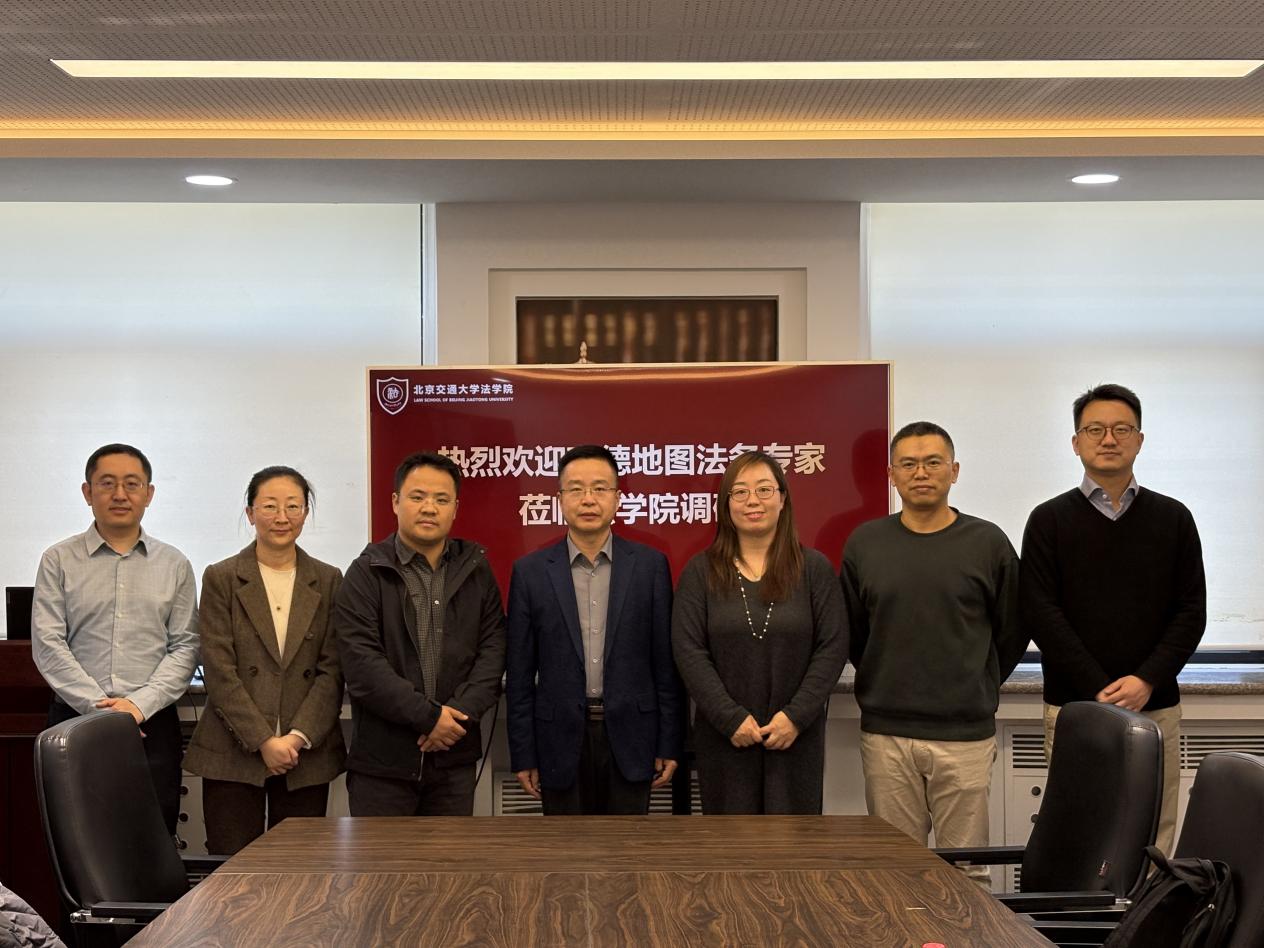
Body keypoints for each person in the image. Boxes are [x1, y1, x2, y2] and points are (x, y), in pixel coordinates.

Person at [1022, 383, 1206, 856]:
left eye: (1121, 429)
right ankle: (1081, 912)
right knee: (1077, 833)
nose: (1108, 439)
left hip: (1155, 706)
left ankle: (1149, 909)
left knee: (1153, 836)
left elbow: (1191, 612)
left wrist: (1146, 680)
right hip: (1075, 708)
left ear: (1139, 440)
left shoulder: (1174, 518)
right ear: (1076, 442)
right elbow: (1041, 613)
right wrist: (1099, 689)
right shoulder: (1047, 520)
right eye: (1095, 429)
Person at [841, 422, 1026, 884]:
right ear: (891, 475)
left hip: (964, 734)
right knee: (896, 872)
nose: (920, 473)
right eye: (908, 464)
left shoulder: (988, 543)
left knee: (966, 875)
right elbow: (855, 633)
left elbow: (1013, 628)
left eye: (932, 462)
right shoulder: (865, 543)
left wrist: (978, 680)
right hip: (887, 734)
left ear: (954, 471)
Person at [506, 444, 684, 815]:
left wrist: (669, 742)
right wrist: (524, 753)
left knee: (628, 846)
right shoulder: (530, 572)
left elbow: (665, 666)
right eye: (576, 489)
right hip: (556, 741)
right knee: (565, 849)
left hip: (634, 736)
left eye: (600, 488)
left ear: (617, 498)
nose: (588, 499)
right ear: (560, 499)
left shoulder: (650, 567)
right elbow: (520, 675)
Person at [32, 443, 199, 833]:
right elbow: (48, 643)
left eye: (131, 484)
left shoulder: (174, 564)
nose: (120, 494)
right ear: (87, 492)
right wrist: (103, 711)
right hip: (74, 721)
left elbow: (185, 646)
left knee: (152, 840)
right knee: (77, 843)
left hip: (151, 723)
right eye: (107, 483)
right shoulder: (58, 560)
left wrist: (136, 707)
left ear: (149, 493)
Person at [672, 450, 847, 814]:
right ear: (726, 505)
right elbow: (688, 650)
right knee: (731, 843)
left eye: (764, 490)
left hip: (796, 738)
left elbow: (832, 646)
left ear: (782, 499)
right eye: (740, 492)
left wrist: (795, 717)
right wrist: (729, 717)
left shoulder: (813, 569)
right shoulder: (701, 571)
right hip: (725, 738)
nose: (753, 500)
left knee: (793, 842)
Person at [183, 466, 345, 854]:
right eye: (270, 506)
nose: (282, 517)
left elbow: (332, 669)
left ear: (305, 513)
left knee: (299, 868)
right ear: (250, 512)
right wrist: (263, 741)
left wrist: (295, 738)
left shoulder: (328, 579)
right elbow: (219, 669)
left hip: (304, 754)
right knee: (233, 867)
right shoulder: (222, 577)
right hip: (232, 750)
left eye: (293, 506)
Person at [335, 451, 506, 816]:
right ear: (395, 502)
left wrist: (456, 717)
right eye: (418, 496)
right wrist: (430, 718)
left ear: (455, 508)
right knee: (381, 857)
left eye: (441, 499)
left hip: (453, 760)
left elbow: (493, 652)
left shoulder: (476, 570)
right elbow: (362, 666)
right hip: (382, 766)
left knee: (450, 855)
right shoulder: (366, 572)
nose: (429, 508)